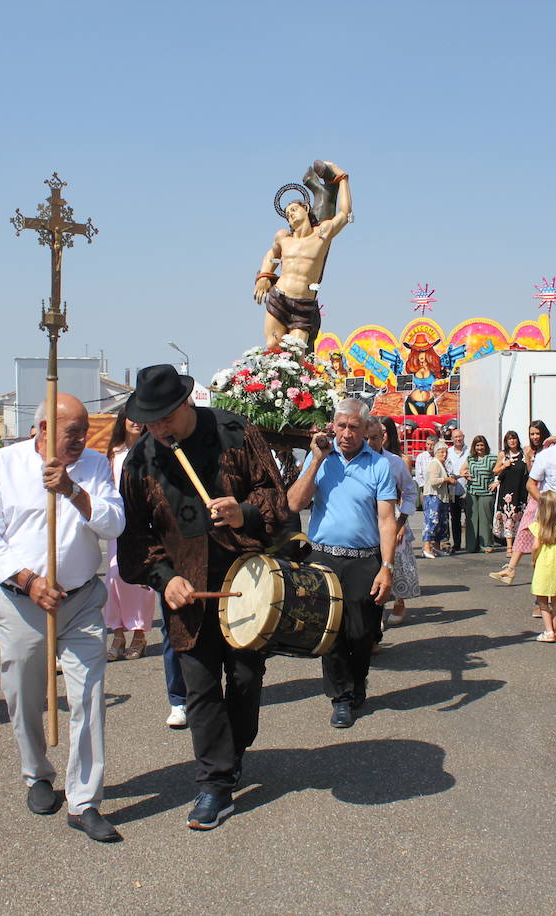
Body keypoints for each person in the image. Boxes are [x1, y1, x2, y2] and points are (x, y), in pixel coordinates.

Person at [116, 364, 291, 831]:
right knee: (199, 687)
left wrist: (245, 512)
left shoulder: (235, 430)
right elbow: (134, 534)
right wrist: (163, 576)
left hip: (246, 581)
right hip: (186, 592)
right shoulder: (140, 461)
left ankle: (232, 752)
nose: (156, 428)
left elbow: (276, 496)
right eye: (148, 420)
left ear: (186, 403)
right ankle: (214, 784)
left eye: (164, 418)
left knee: (247, 678)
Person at [0, 392, 126, 842]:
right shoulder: (5, 464)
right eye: (69, 431)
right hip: (24, 598)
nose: (79, 439)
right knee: (23, 690)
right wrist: (27, 579)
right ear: (41, 430)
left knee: (89, 697)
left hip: (80, 600)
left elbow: (114, 524)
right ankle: (37, 772)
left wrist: (73, 492)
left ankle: (84, 801)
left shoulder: (95, 466)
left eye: (84, 430)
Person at [287, 397, 397, 729]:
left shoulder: (379, 466)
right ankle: (341, 698)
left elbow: (387, 520)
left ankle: (357, 681)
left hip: (364, 560)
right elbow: (295, 502)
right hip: (323, 558)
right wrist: (317, 461)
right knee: (331, 632)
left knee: (362, 632)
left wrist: (387, 567)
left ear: (366, 429)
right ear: (332, 426)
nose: (346, 433)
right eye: (341, 426)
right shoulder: (319, 459)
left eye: (353, 427)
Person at [253, 161, 353, 351]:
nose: (290, 214)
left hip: (303, 305)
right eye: (287, 213)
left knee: (296, 353)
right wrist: (264, 276)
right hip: (279, 298)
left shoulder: (321, 234)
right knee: (272, 346)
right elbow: (271, 255)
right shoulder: (283, 238)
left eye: (294, 209)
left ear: (306, 209)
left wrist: (343, 179)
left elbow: (345, 213)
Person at [104, 406, 155, 663]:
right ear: (122, 421)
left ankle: (139, 634)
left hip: (144, 524)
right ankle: (117, 633)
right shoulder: (113, 454)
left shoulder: (153, 449)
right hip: (118, 523)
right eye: (131, 418)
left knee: (142, 579)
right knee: (114, 576)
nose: (136, 422)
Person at [492, 420, 556, 586]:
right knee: (525, 531)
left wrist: (551, 439)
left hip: (549, 496)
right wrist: (528, 458)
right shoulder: (529, 450)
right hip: (534, 494)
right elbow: (530, 473)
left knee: (543, 536)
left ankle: (520, 569)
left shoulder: (551, 447)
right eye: (532, 433)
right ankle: (511, 568)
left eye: (537, 433)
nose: (535, 437)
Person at [368, 417, 419, 628]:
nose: (370, 442)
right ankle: (375, 614)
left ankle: (399, 601)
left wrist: (401, 522)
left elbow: (410, 492)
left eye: (376, 437)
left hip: (391, 517)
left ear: (385, 437)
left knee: (396, 563)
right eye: (366, 438)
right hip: (365, 522)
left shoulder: (395, 461)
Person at [528, 491, 556, 643]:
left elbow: (535, 547)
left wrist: (533, 560)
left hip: (543, 566)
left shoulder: (538, 527)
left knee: (542, 601)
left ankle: (548, 631)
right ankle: (554, 628)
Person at [493, 430, 528, 556]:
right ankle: (509, 547)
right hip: (507, 490)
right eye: (509, 439)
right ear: (506, 441)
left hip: (521, 488)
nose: (512, 441)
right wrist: (504, 466)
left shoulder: (523, 453)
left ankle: (520, 545)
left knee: (520, 517)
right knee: (508, 516)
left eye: (514, 438)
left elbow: (529, 469)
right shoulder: (503, 454)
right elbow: (495, 471)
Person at [461, 434, 497, 552]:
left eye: (481, 445)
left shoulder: (492, 458)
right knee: (471, 519)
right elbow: (462, 470)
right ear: (474, 446)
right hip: (472, 491)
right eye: (477, 445)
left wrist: (497, 482)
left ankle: (486, 545)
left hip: (486, 492)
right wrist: (465, 474)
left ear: (485, 446)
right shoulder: (470, 458)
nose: (480, 448)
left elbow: (500, 471)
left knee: (485, 519)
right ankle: (471, 546)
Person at [421, 442, 455, 559]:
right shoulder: (434, 464)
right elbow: (433, 481)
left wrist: (456, 477)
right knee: (432, 522)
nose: (444, 454)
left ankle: (436, 547)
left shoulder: (442, 464)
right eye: (441, 452)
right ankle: (426, 548)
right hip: (433, 497)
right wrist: (447, 479)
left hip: (441, 497)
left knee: (441, 524)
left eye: (446, 452)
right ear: (436, 453)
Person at [444, 427, 468, 553]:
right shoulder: (448, 452)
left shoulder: (470, 451)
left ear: (463, 437)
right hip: (453, 491)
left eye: (460, 436)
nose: (458, 439)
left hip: (467, 490)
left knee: (470, 518)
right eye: (455, 437)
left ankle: (471, 543)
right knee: (455, 518)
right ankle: (457, 544)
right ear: (452, 439)